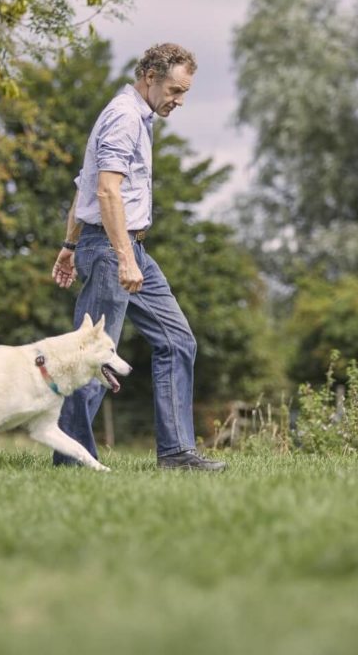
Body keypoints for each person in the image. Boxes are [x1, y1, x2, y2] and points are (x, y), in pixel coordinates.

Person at [50, 43, 226, 472]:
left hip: (122, 246)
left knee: (176, 340)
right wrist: (123, 257)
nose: (179, 100)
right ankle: (71, 461)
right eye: (175, 89)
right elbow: (106, 190)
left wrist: (70, 245)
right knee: (93, 356)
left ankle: (177, 453)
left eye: (184, 92)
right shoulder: (125, 117)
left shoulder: (137, 117)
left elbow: (84, 184)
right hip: (115, 248)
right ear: (150, 76)